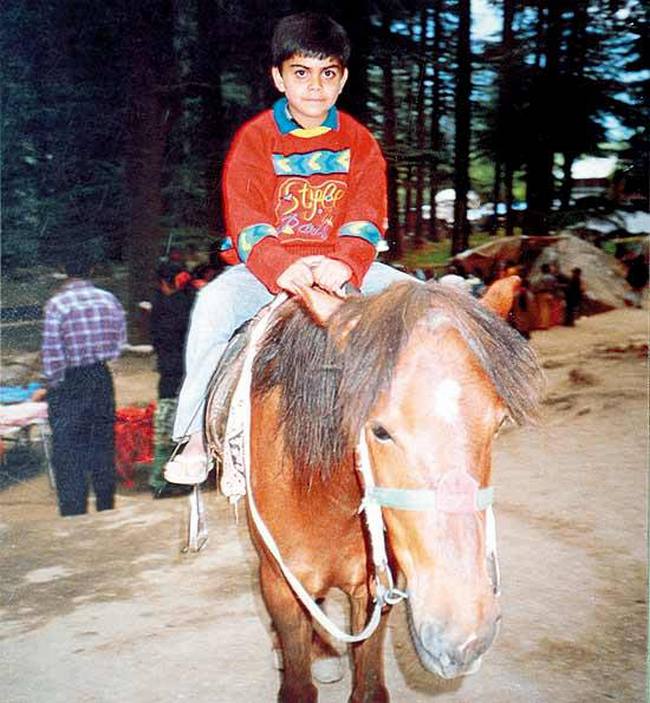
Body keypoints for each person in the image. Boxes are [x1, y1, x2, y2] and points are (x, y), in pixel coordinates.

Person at [164, 12, 415, 485]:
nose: (315, 86)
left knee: (418, 299)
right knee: (213, 305)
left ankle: (426, 420)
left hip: (342, 263)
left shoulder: (360, 143)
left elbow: (366, 213)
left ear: (342, 79)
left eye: (328, 74)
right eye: (301, 73)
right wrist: (282, 267)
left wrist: (343, 262)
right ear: (279, 77)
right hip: (267, 269)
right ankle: (195, 433)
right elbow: (247, 217)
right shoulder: (256, 139)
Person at [42, 253, 126, 516]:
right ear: (92, 267)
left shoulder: (57, 305)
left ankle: (74, 511)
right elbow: (118, 345)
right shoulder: (108, 299)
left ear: (63, 270)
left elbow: (53, 355)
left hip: (70, 382)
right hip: (100, 378)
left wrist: (52, 384)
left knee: (68, 450)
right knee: (102, 444)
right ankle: (105, 506)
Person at [149, 263, 194, 498]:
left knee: (167, 429)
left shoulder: (159, 305)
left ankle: (161, 479)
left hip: (169, 376)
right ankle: (168, 479)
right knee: (180, 428)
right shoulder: (184, 303)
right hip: (185, 374)